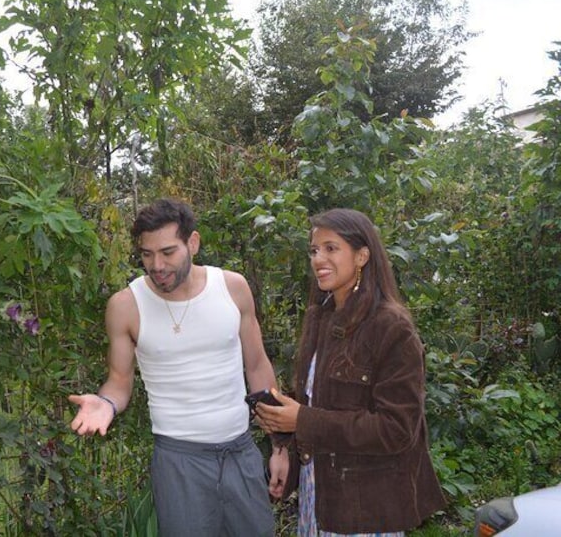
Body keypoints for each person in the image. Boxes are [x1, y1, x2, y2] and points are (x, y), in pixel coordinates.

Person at [68, 198, 282, 536]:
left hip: (241, 452)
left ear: (192, 243)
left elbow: (256, 368)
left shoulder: (232, 288)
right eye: (147, 254)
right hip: (178, 462)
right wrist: (105, 403)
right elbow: (119, 382)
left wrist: (280, 445)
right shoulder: (126, 306)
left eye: (168, 252)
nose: (157, 265)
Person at [254, 208, 446, 536]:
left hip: (364, 510)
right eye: (314, 250)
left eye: (331, 248)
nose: (318, 259)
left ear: (362, 256)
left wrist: (301, 419)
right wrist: (283, 440)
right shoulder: (322, 318)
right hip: (318, 499)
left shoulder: (391, 328)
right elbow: (318, 403)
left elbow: (397, 429)